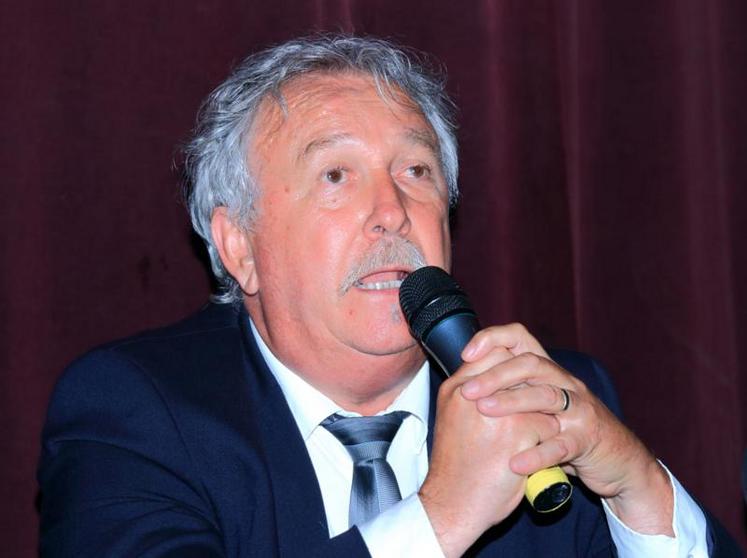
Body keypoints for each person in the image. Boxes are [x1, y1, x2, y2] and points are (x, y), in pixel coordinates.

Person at [38, 34, 739, 557]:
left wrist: (640, 489)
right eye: (335, 176)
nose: (392, 212)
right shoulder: (136, 413)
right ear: (239, 246)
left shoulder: (545, 403)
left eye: (415, 171)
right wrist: (441, 518)